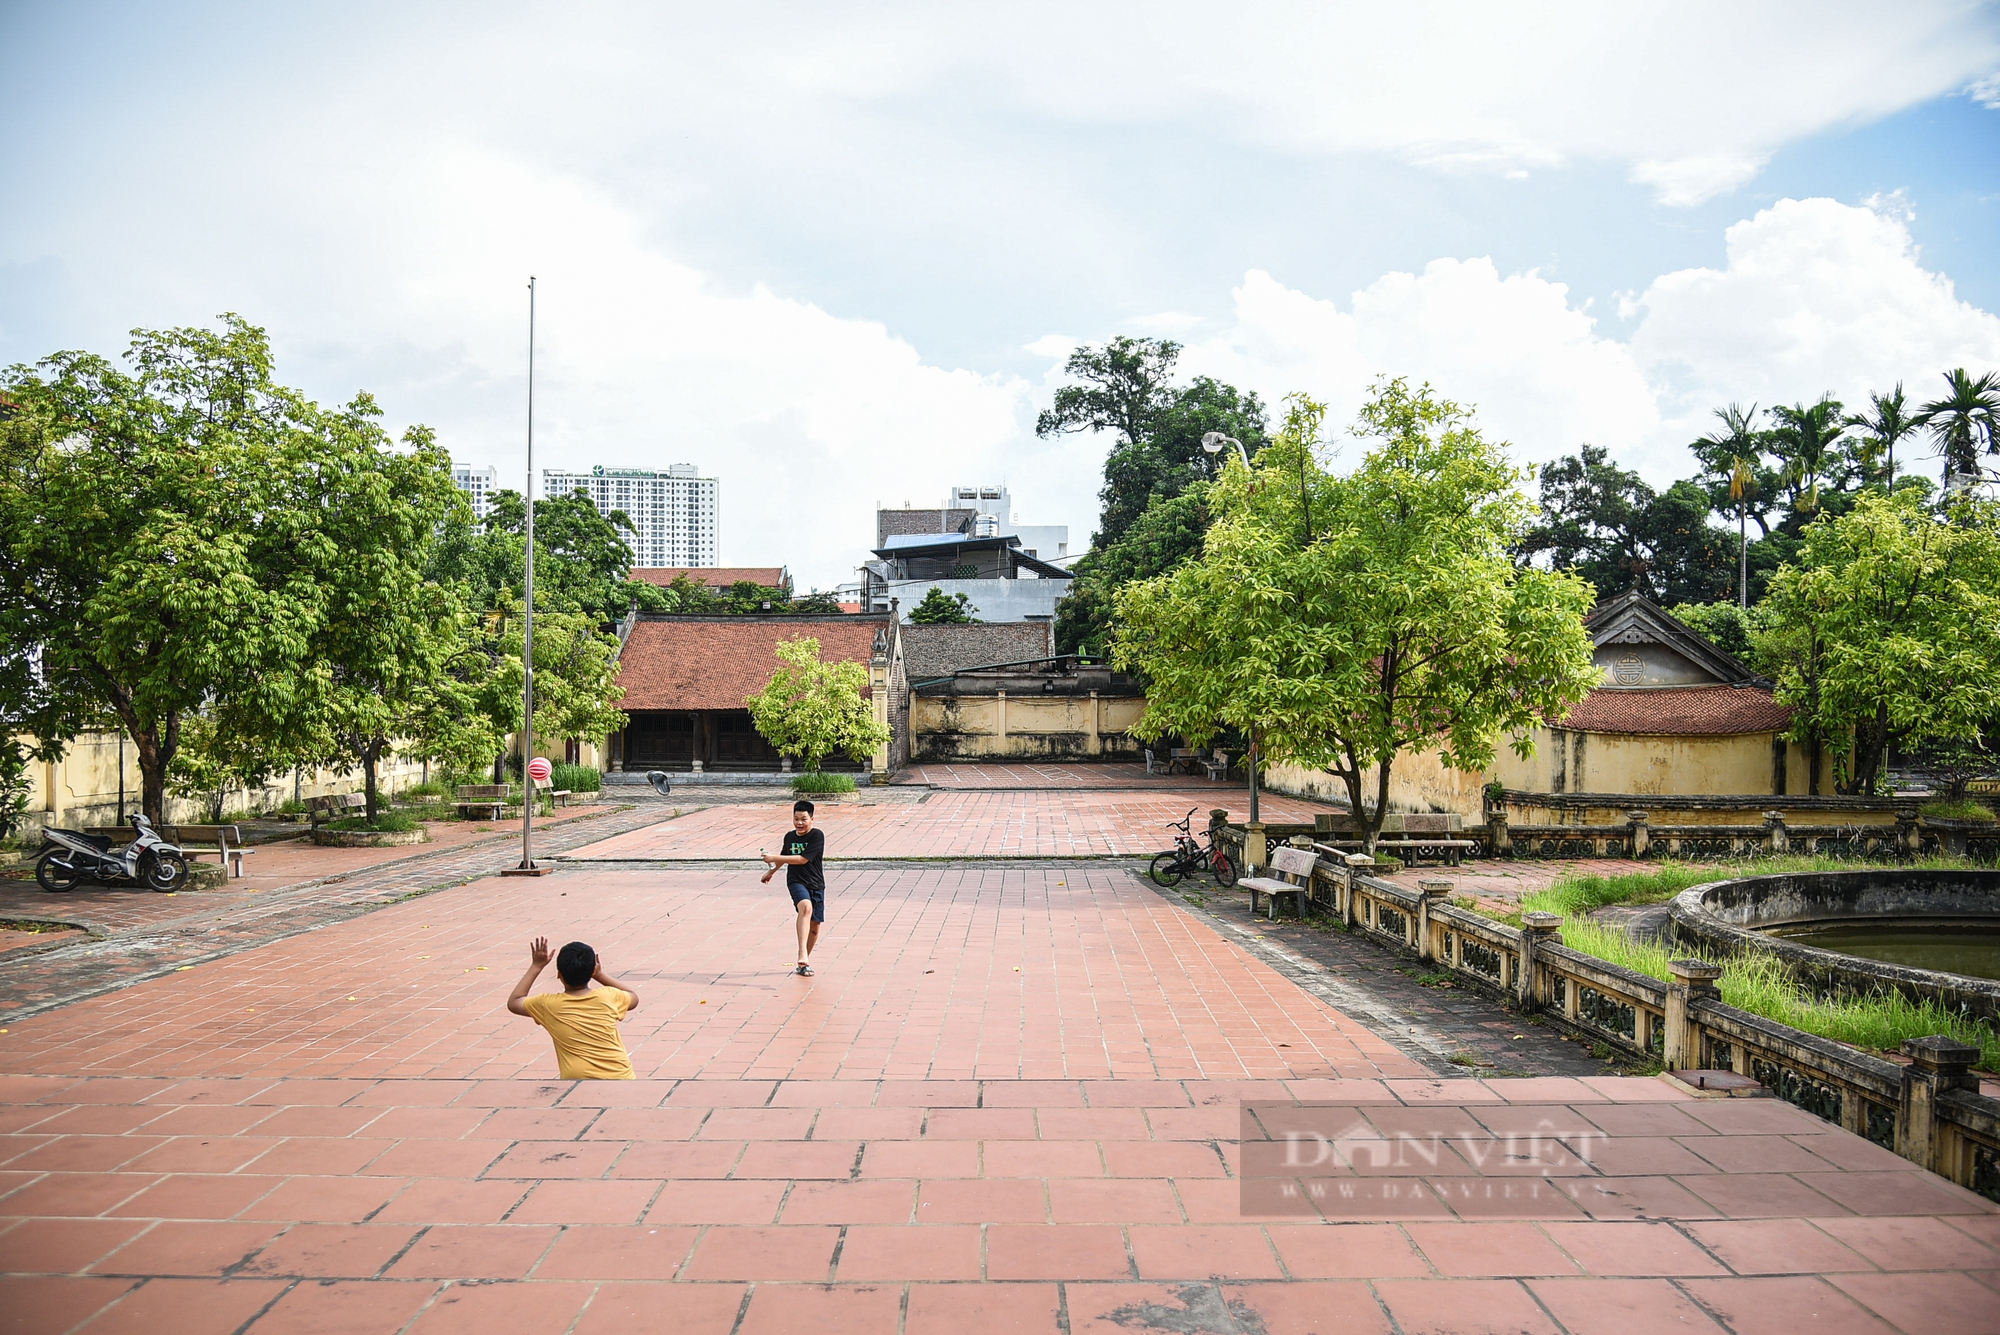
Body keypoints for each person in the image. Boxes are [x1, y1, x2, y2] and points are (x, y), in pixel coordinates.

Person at [505, 936, 640, 1079]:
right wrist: (600, 975)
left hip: (578, 1079)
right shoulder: (609, 996)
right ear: (592, 971)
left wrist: (536, 966)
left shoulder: (548, 1004)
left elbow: (514, 1002)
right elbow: (633, 996)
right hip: (621, 1075)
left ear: (559, 974)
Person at [762, 798, 825, 976]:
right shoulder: (790, 837)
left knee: (815, 927)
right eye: (796, 819)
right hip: (796, 880)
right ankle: (801, 952)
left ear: (811, 819)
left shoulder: (817, 835)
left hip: (816, 883)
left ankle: (804, 964)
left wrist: (773, 858)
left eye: (803, 819)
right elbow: (785, 856)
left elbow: (802, 859)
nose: (799, 823)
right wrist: (771, 871)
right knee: (805, 907)